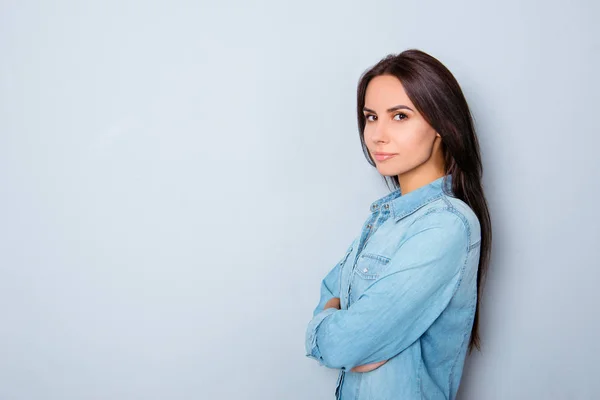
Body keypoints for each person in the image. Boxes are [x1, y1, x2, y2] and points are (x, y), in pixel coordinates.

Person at [304, 49, 492, 400]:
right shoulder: (385, 219)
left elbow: (343, 345)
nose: (377, 135)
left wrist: (333, 331)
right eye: (371, 117)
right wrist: (337, 324)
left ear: (441, 125)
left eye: (400, 116)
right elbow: (330, 292)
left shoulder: (445, 227)